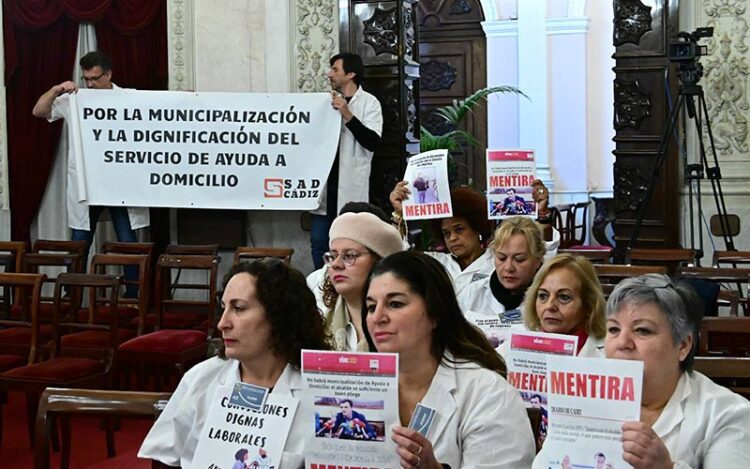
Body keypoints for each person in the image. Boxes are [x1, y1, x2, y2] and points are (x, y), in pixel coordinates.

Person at [138, 259, 332, 468]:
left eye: (239, 308)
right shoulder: (201, 378)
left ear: (279, 316)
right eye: (224, 308)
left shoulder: (321, 393)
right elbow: (165, 457)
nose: (223, 323)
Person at [363, 251, 536, 468]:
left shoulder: (488, 394)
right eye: (371, 307)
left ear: (435, 312)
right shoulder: (359, 388)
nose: (378, 317)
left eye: (395, 304)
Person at [32, 50, 148, 295]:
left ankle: (134, 294)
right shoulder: (76, 98)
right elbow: (39, 111)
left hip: (119, 184)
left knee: (127, 242)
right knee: (80, 242)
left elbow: (161, 109)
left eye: (95, 78)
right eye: (86, 79)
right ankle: (72, 295)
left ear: (109, 75)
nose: (90, 84)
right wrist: (56, 90)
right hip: (86, 184)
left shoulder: (128, 97)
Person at [604, 274, 750, 468]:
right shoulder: (582, 397)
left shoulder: (728, 414)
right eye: (614, 329)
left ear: (683, 346)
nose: (622, 343)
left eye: (642, 330)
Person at [310, 52, 383, 269]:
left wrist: (347, 113)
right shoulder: (324, 102)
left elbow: (371, 141)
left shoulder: (369, 103)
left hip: (350, 185)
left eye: (335, 70)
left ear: (350, 74)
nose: (329, 74)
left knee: (350, 245)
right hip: (325, 187)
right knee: (318, 243)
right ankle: (322, 289)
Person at [458, 216, 555, 339]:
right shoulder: (473, 292)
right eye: (502, 258)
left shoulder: (551, 300)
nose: (508, 267)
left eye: (519, 259)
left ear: (538, 259)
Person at [321, 211, 404, 351]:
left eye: (349, 255)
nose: (336, 264)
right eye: (332, 256)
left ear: (379, 262)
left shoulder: (403, 325)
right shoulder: (318, 326)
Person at [391, 184, 495, 295]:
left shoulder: (497, 262)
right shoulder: (435, 262)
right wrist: (399, 213)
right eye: (446, 233)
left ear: (477, 228)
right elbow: (397, 256)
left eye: (459, 229)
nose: (452, 238)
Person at [499, 253, 607, 358]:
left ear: (589, 304)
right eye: (543, 296)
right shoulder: (514, 346)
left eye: (564, 297)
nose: (549, 306)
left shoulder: (608, 355)